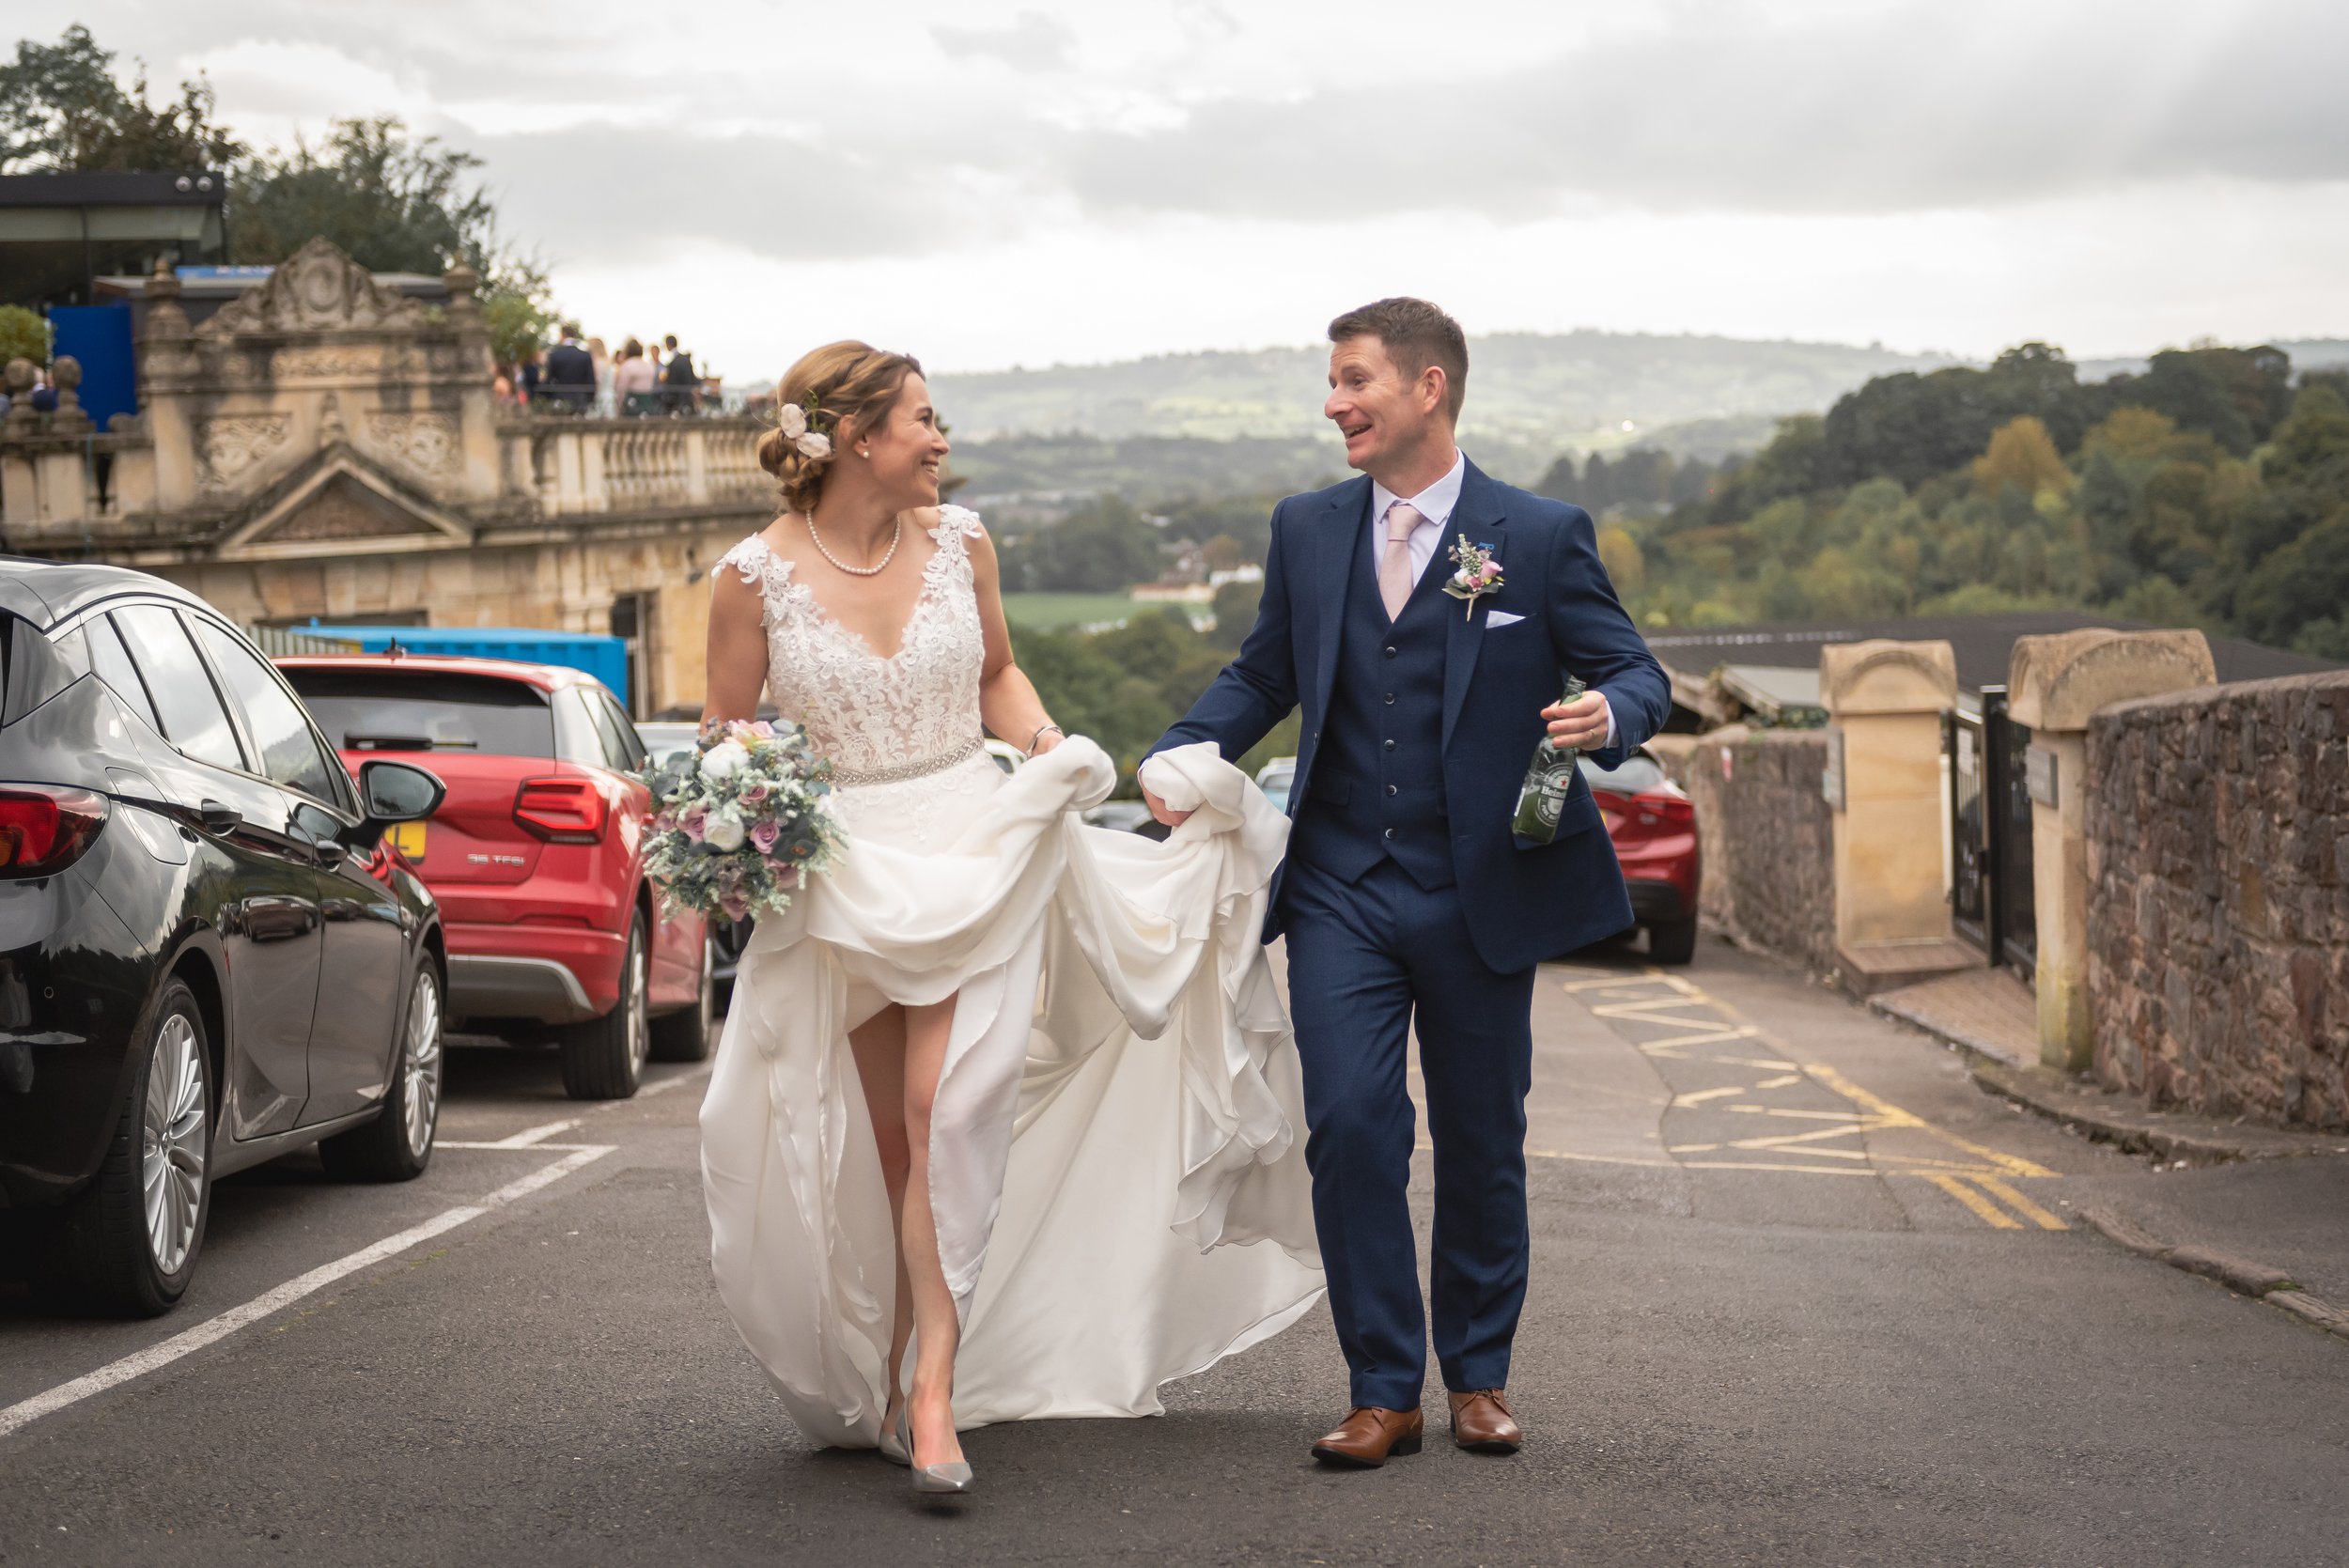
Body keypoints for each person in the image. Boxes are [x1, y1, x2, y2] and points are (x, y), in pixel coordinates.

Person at [699, 342, 1322, 1497]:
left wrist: (1045, 745)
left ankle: (935, 1392)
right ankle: (892, 1369)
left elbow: (996, 671)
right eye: (924, 421)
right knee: (893, 1145)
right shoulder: (751, 578)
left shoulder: (963, 544)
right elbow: (724, 732)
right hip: (847, 879)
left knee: (949, 1109)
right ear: (853, 438)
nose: (942, 440)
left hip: (981, 848)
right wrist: (744, 810)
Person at [1143, 297, 1670, 1468]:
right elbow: (1265, 666)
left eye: (1353, 379)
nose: (1334, 402)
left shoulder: (1534, 534)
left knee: (1483, 1138)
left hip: (1481, 886)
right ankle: (1383, 1385)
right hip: (1340, 882)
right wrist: (1185, 750)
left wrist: (1611, 713)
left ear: (1428, 388)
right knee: (1352, 1127)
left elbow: (1635, 667)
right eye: (1332, 383)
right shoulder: (1307, 526)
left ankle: (1477, 1376)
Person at [543, 322, 596, 412]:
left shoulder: (555, 355)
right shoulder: (585, 355)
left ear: (562, 335)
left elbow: (548, 380)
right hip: (580, 400)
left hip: (560, 400)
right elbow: (590, 381)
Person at [613, 337, 657, 412]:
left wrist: (619, 406)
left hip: (633, 401)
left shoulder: (627, 365)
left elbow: (621, 388)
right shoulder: (649, 366)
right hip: (647, 400)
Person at [660, 334, 697, 411]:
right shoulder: (685, 360)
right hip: (687, 398)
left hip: (677, 400)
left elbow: (672, 382)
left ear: (667, 345)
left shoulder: (674, 362)